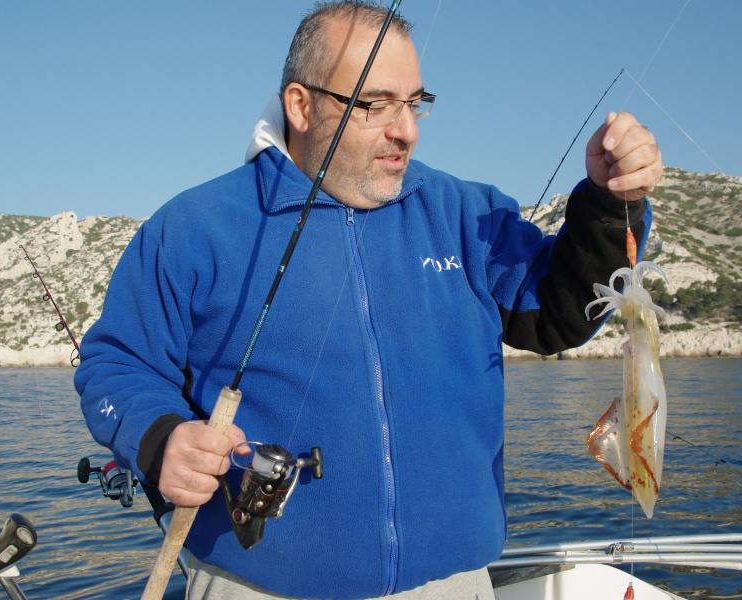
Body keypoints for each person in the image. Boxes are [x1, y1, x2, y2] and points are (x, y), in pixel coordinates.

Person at [75, 2, 663, 599]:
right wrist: (160, 438)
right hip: (254, 582)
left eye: (413, 103)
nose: (405, 128)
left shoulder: (466, 213)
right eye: (373, 104)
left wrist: (609, 203)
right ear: (300, 106)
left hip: (453, 583)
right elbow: (116, 363)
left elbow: (559, 313)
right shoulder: (194, 228)